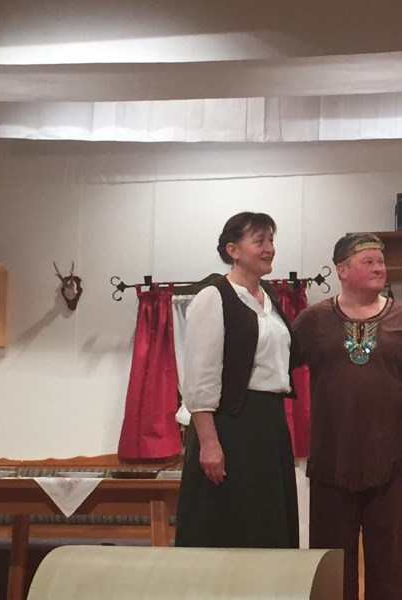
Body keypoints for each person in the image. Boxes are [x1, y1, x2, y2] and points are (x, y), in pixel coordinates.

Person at [293, 232, 402, 600]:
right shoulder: (313, 320)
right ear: (342, 270)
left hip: (388, 465)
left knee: (389, 567)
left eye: (381, 261)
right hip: (331, 463)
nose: (379, 268)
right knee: (331, 567)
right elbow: (274, 369)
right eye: (369, 262)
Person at [175, 211, 299, 549]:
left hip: (269, 423)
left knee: (266, 522)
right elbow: (200, 376)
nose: (269, 248)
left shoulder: (269, 297)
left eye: (271, 240)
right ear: (233, 250)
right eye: (259, 241)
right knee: (233, 523)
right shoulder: (215, 296)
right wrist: (209, 443)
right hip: (231, 425)